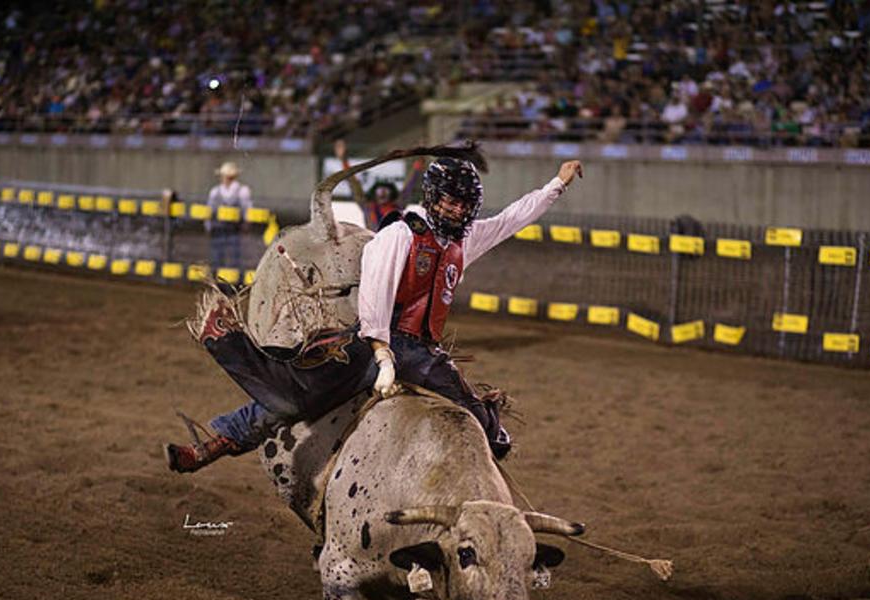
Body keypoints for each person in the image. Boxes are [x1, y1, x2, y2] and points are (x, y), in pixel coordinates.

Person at [165, 155, 584, 473]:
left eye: (465, 205)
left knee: (471, 410)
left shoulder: (465, 240)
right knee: (297, 396)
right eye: (453, 203)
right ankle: (218, 441)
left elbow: (513, 218)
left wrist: (557, 185)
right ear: (434, 198)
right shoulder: (400, 235)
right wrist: (383, 354)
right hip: (375, 342)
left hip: (421, 350)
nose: (459, 211)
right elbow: (376, 298)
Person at [334, 139, 424, 231]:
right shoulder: (368, 207)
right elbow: (354, 185)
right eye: (380, 191)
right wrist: (343, 160)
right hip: (374, 241)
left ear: (391, 194)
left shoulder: (397, 206)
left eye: (385, 191)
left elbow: (410, 184)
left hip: (394, 242)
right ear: (374, 194)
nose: (382, 194)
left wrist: (420, 157)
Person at [205, 161, 253, 270]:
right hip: (218, 231)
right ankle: (219, 284)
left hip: (234, 231)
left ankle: (232, 285)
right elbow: (209, 211)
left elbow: (247, 210)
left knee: (234, 261)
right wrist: (208, 226)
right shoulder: (215, 192)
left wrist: (246, 224)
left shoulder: (242, 191)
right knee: (217, 260)